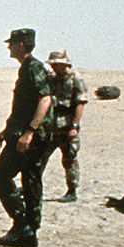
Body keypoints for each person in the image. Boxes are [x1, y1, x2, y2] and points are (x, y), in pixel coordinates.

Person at [0, 27, 54, 247]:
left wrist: (30, 132)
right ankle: (28, 233)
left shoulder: (33, 68)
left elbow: (44, 99)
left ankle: (23, 226)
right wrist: (5, 132)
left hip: (30, 138)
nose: (9, 47)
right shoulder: (27, 68)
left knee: (1, 174)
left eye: (12, 43)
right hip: (21, 135)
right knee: (30, 181)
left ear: (22, 45)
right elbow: (22, 108)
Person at [46, 50, 88, 201]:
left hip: (67, 125)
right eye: (54, 65)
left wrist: (74, 126)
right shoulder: (52, 78)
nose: (56, 68)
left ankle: (72, 190)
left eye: (58, 65)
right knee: (40, 157)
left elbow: (80, 103)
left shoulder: (76, 78)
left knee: (69, 158)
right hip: (51, 125)